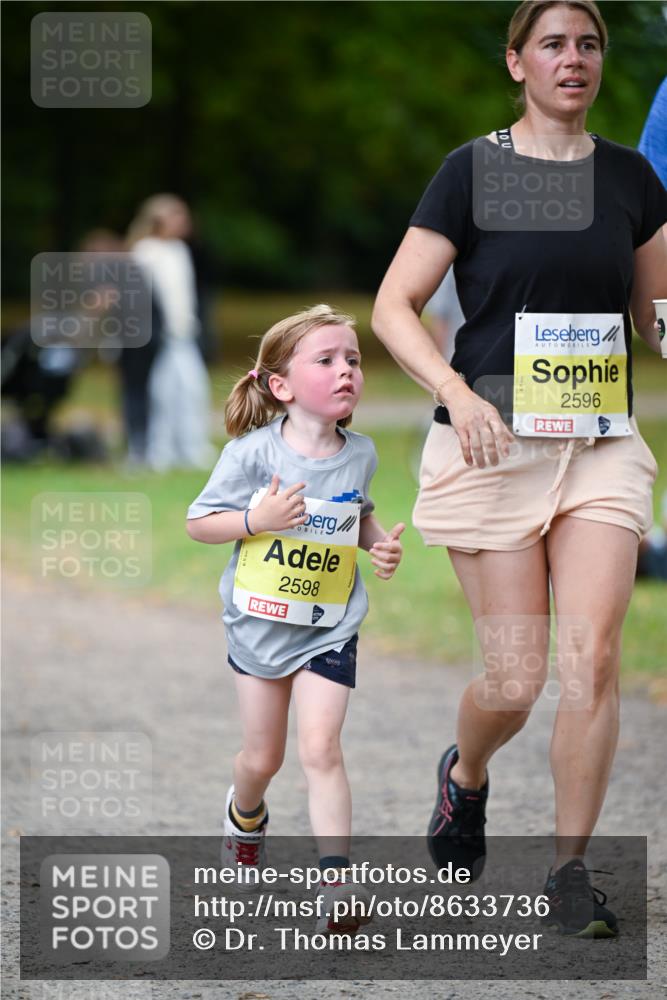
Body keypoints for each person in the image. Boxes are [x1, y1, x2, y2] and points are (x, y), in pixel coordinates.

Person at [372, 0, 666, 938]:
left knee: (592, 659)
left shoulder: (631, 179)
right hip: (491, 446)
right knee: (515, 679)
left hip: (598, 450)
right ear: (516, 64)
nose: (572, 59)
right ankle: (464, 778)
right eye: (552, 44)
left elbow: (655, 320)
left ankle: (571, 869)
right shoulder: (472, 171)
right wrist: (458, 397)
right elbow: (392, 307)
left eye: (587, 45)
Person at [186, 304, 404, 932]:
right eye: (327, 360)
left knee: (322, 749)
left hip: (329, 625)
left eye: (353, 360)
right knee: (263, 758)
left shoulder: (360, 453)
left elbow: (354, 514)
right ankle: (245, 815)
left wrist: (375, 542)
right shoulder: (252, 455)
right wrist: (256, 521)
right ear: (280, 387)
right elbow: (199, 523)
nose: (347, 371)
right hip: (259, 628)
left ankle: (336, 883)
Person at [128, 194, 214, 471]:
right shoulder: (145, 251)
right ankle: (158, 451)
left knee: (191, 390)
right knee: (161, 394)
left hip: (183, 335)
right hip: (158, 339)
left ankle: (190, 447)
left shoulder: (180, 250)